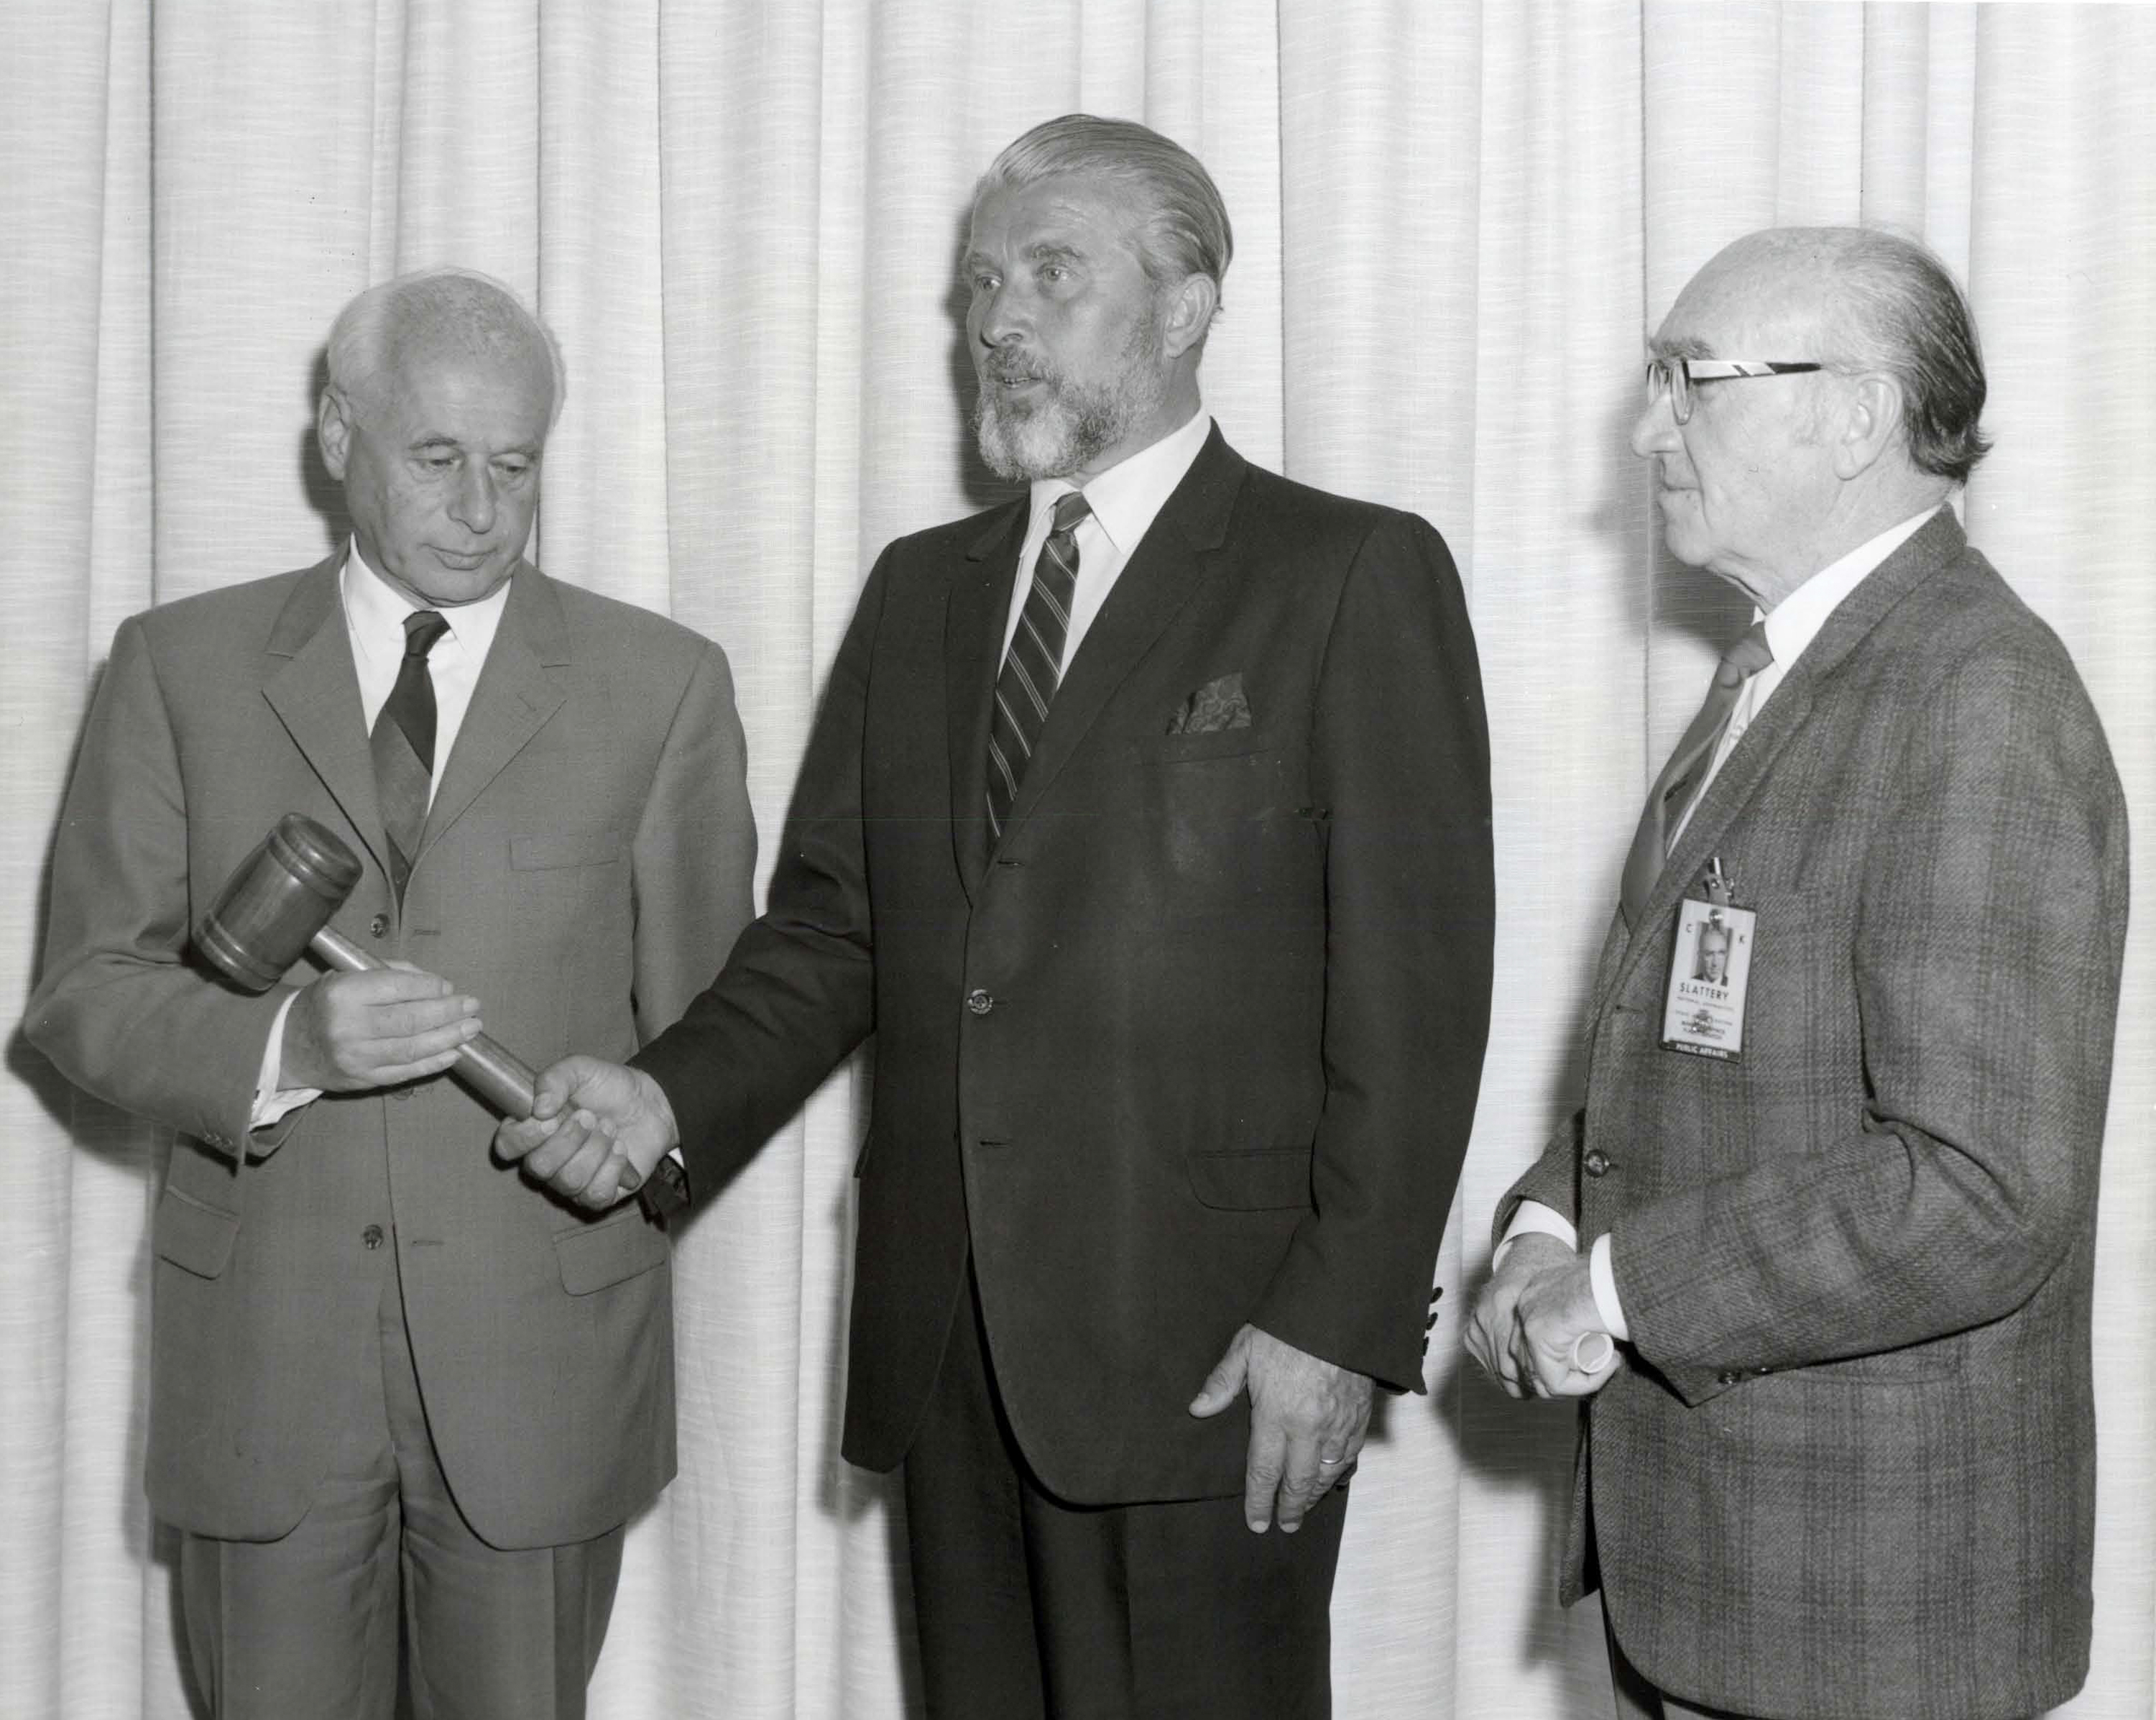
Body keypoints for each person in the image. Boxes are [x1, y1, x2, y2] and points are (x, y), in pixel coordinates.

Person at [499, 114, 1493, 1719]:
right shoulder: (923, 590)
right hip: (948, 1349)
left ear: (1185, 309)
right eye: (982, 285)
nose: (1001, 321)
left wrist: (1339, 1320)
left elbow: (1418, 997)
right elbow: (835, 931)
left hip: (1215, 1358)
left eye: (1052, 275)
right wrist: (667, 1093)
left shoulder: (1347, 573)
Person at [26, 268, 755, 1720]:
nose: (481, 509)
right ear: (337, 436)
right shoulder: (178, 667)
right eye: (437, 458)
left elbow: (720, 1044)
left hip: (541, 1370)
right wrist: (284, 1042)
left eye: (516, 465)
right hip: (264, 1370)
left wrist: (650, 1131)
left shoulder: (661, 685)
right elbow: (82, 995)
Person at [1465, 227, 2127, 1720]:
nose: (1650, 431)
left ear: (1857, 413)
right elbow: (1693, 1066)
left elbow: (1981, 1188)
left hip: (1866, 1618)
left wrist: (1612, 1288)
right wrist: (1546, 1229)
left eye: (1689, 381)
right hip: (1722, 1582)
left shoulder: (1978, 696)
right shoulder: (1787, 671)